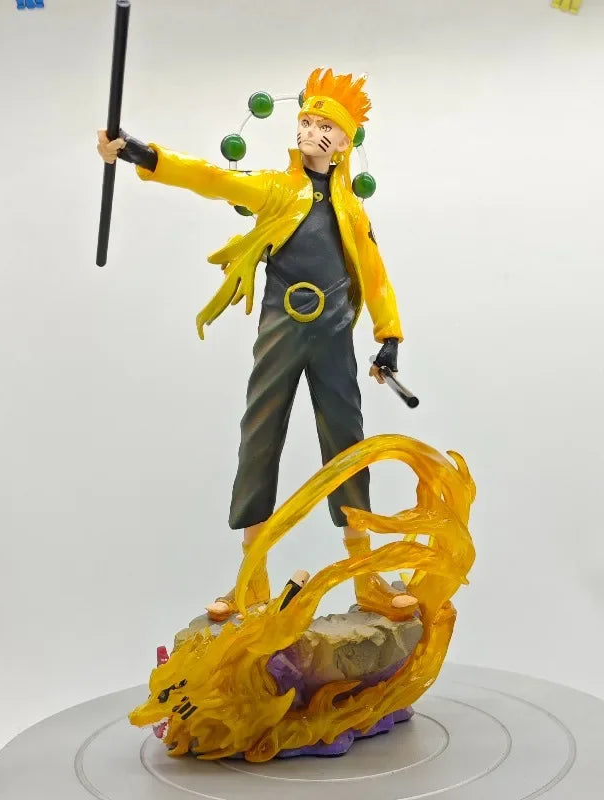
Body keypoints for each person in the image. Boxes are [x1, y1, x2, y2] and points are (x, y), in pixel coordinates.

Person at [97, 68, 417, 620]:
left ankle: (365, 576)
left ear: (344, 143)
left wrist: (388, 336)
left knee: (347, 445)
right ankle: (252, 579)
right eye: (307, 122)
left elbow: (375, 273)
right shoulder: (276, 189)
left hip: (334, 334)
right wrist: (143, 154)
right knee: (260, 436)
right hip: (281, 329)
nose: (312, 131)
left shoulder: (352, 209)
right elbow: (213, 178)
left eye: (325, 127)